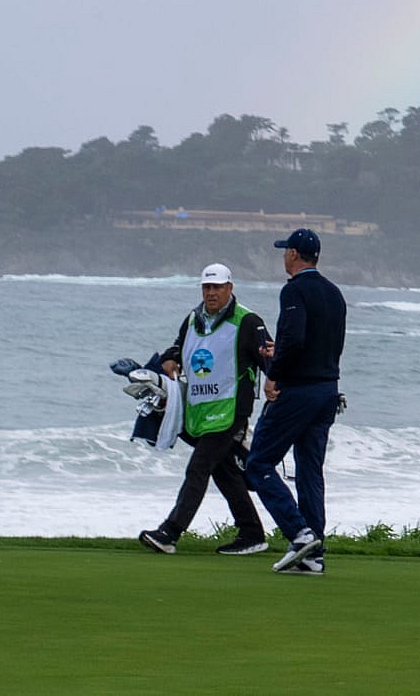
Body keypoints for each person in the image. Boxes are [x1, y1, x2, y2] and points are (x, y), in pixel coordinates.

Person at [136, 263, 272, 555]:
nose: (211, 293)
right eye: (207, 287)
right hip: (199, 412)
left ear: (229, 289)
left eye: (217, 287)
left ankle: (170, 532)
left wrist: (279, 385)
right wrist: (170, 360)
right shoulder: (193, 319)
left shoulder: (248, 322)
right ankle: (252, 533)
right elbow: (177, 348)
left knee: (198, 467)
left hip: (230, 412)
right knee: (224, 472)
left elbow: (270, 361)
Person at [244, 226, 348, 575]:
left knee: (258, 463)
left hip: (299, 391)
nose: (283, 256)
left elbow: (295, 336)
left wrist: (274, 373)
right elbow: (326, 343)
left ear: (293, 254)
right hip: (327, 390)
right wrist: (288, 353)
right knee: (308, 471)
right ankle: (314, 554)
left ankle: (299, 533)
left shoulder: (294, 291)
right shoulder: (334, 294)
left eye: (285, 250)